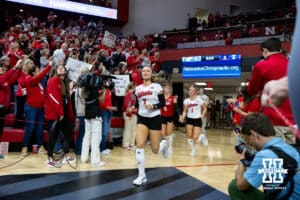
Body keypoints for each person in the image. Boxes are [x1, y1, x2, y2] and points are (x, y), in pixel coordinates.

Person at [228, 113, 300, 200]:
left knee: (234, 187)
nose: (251, 145)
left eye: (249, 140)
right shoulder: (289, 148)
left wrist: (242, 162)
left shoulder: (264, 156)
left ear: (254, 135)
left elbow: (241, 185)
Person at [247, 37, 295, 144]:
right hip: (294, 121)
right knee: (292, 156)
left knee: (276, 155)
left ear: (265, 50)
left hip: (274, 119)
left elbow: (252, 90)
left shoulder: (261, 65)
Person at [132, 66, 166, 185]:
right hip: (142, 118)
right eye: (144, 71)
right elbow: (138, 102)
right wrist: (134, 107)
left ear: (151, 74)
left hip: (155, 118)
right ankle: (141, 176)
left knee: (155, 150)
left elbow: (163, 103)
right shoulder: (138, 88)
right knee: (139, 145)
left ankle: (163, 144)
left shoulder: (157, 87)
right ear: (141, 74)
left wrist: (154, 106)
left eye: (148, 71)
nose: (145, 72)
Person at [44, 65, 75, 167]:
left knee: (67, 134)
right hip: (55, 114)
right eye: (59, 67)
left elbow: (67, 100)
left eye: (63, 67)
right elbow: (53, 97)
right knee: (53, 136)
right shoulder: (53, 80)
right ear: (55, 70)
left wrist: (70, 115)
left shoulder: (65, 82)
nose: (61, 68)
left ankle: (65, 155)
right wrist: (60, 113)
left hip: (65, 113)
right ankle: (49, 159)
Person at [21, 60, 52, 156]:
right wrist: (48, 67)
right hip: (31, 108)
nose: (39, 72)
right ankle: (24, 147)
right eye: (38, 70)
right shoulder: (29, 80)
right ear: (34, 72)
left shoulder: (40, 83)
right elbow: (40, 76)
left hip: (40, 108)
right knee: (30, 128)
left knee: (40, 128)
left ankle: (40, 147)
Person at [179, 85, 207, 156]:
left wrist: (202, 115)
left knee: (195, 138)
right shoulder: (186, 101)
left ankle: (202, 137)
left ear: (195, 92)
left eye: (192, 90)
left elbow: (205, 108)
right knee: (189, 136)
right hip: (189, 119)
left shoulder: (199, 100)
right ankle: (193, 150)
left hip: (197, 119)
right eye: (190, 90)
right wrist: (182, 117)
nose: (191, 91)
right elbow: (185, 111)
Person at [160, 84, 179, 156]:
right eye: (165, 88)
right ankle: (165, 147)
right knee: (163, 133)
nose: (165, 89)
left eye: (167, 88)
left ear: (170, 90)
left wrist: (179, 115)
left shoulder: (173, 98)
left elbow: (176, 107)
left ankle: (170, 147)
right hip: (162, 117)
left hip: (170, 117)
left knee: (169, 133)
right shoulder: (161, 98)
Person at [122, 82, 137, 150]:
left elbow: (133, 104)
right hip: (129, 113)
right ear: (133, 87)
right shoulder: (128, 94)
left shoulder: (133, 94)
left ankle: (132, 144)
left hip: (133, 113)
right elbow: (127, 105)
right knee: (128, 129)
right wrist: (129, 113)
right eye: (135, 86)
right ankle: (126, 144)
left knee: (133, 129)